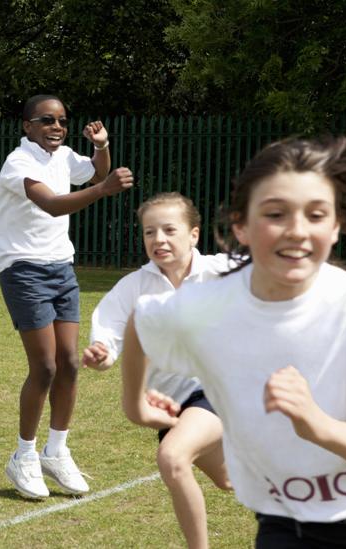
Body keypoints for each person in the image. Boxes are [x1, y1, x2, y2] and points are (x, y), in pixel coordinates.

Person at [121, 135, 346, 547]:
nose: (297, 231)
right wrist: (134, 403)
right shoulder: (209, 304)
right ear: (240, 226)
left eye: (316, 215)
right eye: (276, 213)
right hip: (282, 522)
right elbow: (140, 323)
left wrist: (318, 426)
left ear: (335, 227)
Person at [0, 94, 134, 499]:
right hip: (24, 269)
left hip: (61, 267)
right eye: (46, 120)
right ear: (27, 126)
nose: (56, 127)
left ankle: (56, 451)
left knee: (70, 361)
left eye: (62, 121)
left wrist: (101, 147)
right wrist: (104, 190)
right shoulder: (18, 163)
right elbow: (53, 205)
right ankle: (23, 455)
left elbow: (92, 172)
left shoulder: (62, 155)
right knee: (45, 367)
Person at [82, 192, 231, 548]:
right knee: (232, 480)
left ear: (194, 234)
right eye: (150, 232)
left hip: (221, 393)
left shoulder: (225, 272)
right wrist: (102, 354)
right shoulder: (134, 286)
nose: (158, 240)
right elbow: (107, 336)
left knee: (173, 458)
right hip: (168, 407)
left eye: (169, 230)